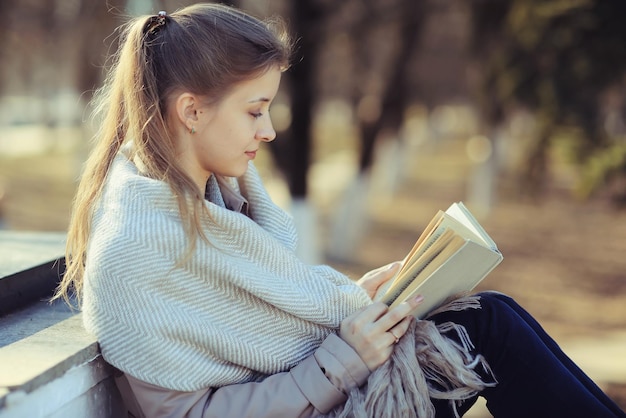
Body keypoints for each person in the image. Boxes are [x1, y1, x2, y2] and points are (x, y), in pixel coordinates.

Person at [53, 3, 625, 418]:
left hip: (328, 392)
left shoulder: (208, 205)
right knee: (489, 329)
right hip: (332, 399)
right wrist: (343, 359)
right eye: (255, 111)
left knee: (488, 314)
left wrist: (362, 300)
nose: (270, 130)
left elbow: (264, 323)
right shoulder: (142, 245)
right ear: (192, 111)